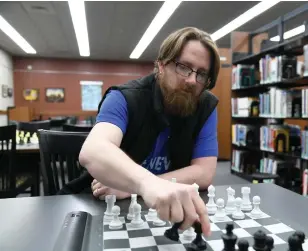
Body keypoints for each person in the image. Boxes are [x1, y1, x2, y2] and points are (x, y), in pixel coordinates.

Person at [78, 27, 220, 237]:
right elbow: (93, 150)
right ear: (161, 65)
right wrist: (146, 184)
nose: (192, 80)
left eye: (201, 74)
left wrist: (132, 186)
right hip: (104, 210)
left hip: (162, 212)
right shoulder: (124, 97)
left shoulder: (206, 106)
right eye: (184, 67)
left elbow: (204, 173)